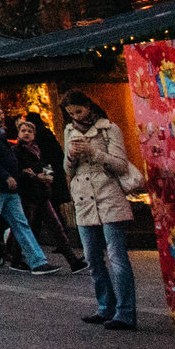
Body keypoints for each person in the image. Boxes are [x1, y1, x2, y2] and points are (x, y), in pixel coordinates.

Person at [59, 91, 138, 331]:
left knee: (117, 258)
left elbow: (121, 164)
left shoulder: (108, 128)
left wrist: (94, 152)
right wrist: (71, 156)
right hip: (84, 199)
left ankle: (125, 312)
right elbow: (66, 168)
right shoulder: (69, 130)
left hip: (108, 195)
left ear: (88, 106)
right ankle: (105, 307)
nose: (75, 116)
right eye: (71, 113)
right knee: (92, 258)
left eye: (79, 111)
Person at [0, 101, 58, 276]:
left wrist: (14, 173)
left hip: (7, 187)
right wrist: (5, 175)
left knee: (21, 224)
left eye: (2, 113)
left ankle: (38, 262)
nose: (2, 116)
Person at [17, 110, 84, 270]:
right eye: (23, 130)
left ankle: (73, 261)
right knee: (28, 226)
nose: (27, 134)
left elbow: (46, 163)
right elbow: (21, 170)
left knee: (51, 225)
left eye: (30, 131)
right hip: (30, 193)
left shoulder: (37, 148)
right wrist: (38, 176)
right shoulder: (18, 150)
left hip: (41, 192)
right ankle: (17, 258)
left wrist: (47, 176)